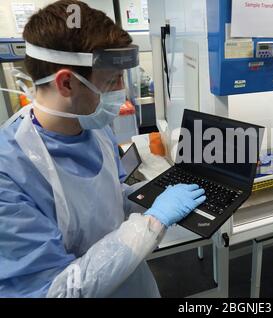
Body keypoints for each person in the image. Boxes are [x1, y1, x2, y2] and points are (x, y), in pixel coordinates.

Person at [0, 0, 205, 298]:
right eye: (112, 81)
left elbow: (107, 197)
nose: (121, 92)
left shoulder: (93, 127)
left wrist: (151, 194)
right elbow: (54, 291)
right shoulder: (11, 174)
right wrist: (153, 221)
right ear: (67, 83)